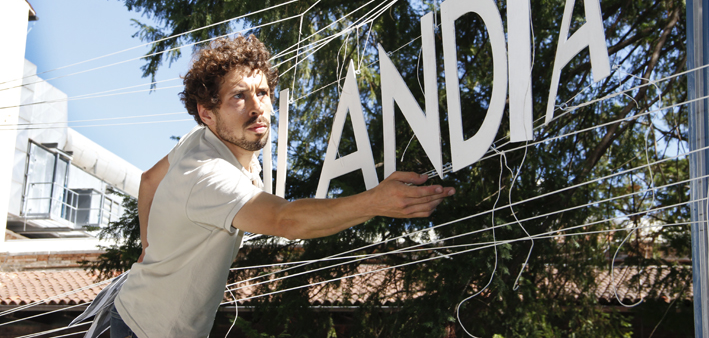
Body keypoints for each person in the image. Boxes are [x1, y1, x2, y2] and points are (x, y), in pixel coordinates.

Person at [111, 35, 455, 338]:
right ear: (207, 113)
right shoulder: (209, 175)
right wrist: (375, 202)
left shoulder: (203, 141)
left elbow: (149, 180)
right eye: (238, 97)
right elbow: (285, 220)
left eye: (262, 92)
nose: (258, 107)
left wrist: (147, 245)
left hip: (136, 313)